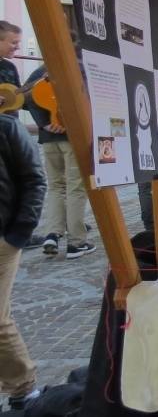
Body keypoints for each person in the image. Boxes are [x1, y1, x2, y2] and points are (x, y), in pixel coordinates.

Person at [0, 110, 46, 410]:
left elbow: (34, 180)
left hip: (3, 239)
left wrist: (18, 234)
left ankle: (23, 386)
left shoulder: (7, 128)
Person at [23, 65, 94, 258]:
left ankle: (52, 234)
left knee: (56, 187)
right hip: (72, 137)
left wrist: (44, 124)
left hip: (49, 140)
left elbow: (24, 98)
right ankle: (76, 243)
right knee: (75, 188)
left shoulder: (41, 69)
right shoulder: (77, 66)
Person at [0, 21, 22, 114]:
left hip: (10, 118)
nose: (18, 47)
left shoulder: (10, 67)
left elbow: (19, 97)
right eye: (14, 42)